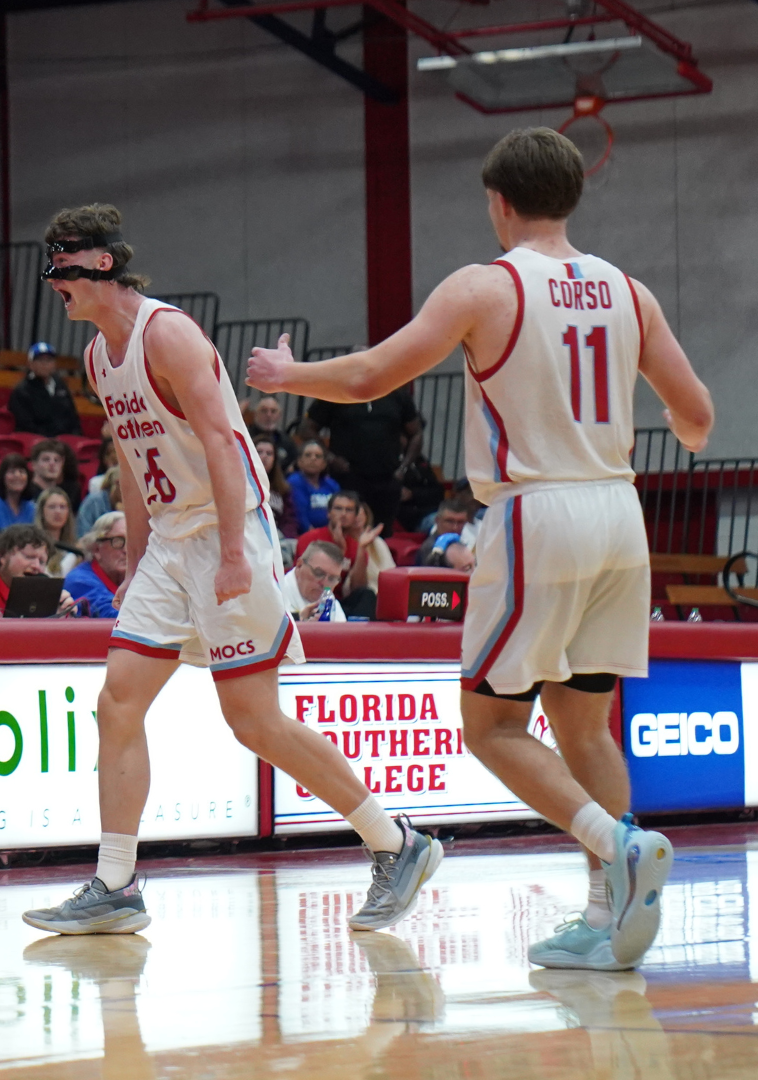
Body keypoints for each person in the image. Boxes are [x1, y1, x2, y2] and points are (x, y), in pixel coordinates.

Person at [247, 127, 715, 971]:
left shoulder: (485, 286)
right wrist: (666, 426)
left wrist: (289, 376)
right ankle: (609, 919)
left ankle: (619, 846)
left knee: (491, 725)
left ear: (499, 203)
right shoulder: (628, 292)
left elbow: (367, 379)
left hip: (538, 512)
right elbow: (697, 416)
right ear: (570, 196)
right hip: (619, 510)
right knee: (585, 724)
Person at [21, 203, 440, 937]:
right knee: (117, 703)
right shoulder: (95, 357)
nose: (53, 280)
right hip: (172, 542)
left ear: (103, 266)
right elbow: (129, 458)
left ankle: (396, 842)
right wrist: (142, 554)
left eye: (63, 265)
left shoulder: (169, 333)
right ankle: (116, 884)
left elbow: (220, 440)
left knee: (255, 722)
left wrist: (238, 554)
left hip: (225, 530)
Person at [303, 383, 421, 536]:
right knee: (344, 531)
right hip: (347, 477)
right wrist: (330, 457)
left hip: (387, 478)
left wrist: (403, 468)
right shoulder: (337, 392)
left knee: (381, 535)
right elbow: (306, 428)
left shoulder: (398, 395)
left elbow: (416, 433)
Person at [296, 490, 381, 618]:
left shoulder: (355, 545)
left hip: (337, 601)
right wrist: (339, 551)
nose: (343, 514)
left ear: (356, 516)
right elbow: (302, 577)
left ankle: (360, 635)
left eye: (349, 510)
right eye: (338, 509)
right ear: (329, 513)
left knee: (367, 594)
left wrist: (361, 549)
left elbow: (357, 587)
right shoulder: (310, 539)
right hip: (309, 598)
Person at [0, 522, 53, 618]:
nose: (36, 566)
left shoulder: (40, 592)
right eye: (29, 557)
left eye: (41, 561)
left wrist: (59, 614)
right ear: (3, 555)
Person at [9, 342, 82, 437]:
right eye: (40, 360)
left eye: (49, 360)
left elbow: (73, 418)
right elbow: (25, 425)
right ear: (31, 364)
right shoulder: (22, 391)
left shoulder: (61, 386)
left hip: (65, 441)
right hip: (38, 441)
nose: (45, 364)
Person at [63, 512, 126, 618]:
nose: (126, 550)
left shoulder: (138, 579)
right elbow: (114, 617)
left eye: (132, 542)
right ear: (96, 549)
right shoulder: (79, 581)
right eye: (118, 541)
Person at [282, 540, 349, 623]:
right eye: (318, 573)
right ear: (299, 565)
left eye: (332, 579)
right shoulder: (275, 595)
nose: (325, 584)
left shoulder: (332, 605)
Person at [0, 452, 36, 542]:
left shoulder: (31, 507)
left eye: (21, 471)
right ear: (3, 477)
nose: (17, 476)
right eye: (12, 472)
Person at [416, 494, 480, 571]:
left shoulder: (464, 543)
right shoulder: (430, 548)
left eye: (460, 522)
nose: (455, 527)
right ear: (437, 520)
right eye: (449, 521)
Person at [254, 433, 300, 539]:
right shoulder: (240, 485)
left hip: (276, 538)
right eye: (259, 452)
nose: (264, 456)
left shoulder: (283, 489)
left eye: (269, 453)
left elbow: (289, 521)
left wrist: (287, 537)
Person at [288, 439, 338, 531]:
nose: (313, 458)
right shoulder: (294, 482)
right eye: (308, 455)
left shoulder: (332, 485)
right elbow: (300, 516)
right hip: (304, 536)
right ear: (299, 461)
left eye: (318, 456)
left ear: (324, 464)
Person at [246, 393, 299, 475]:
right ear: (255, 414)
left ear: (279, 415)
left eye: (273, 411)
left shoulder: (287, 443)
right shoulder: (245, 437)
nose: (268, 415)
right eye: (264, 411)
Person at [36, 486, 81, 574]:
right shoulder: (34, 546)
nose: (58, 511)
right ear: (42, 511)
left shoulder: (76, 548)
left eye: (62, 507)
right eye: (52, 507)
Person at [28, 437, 82, 506]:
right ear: (34, 465)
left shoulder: (68, 494)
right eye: (46, 459)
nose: (52, 464)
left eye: (57, 460)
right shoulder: (26, 493)